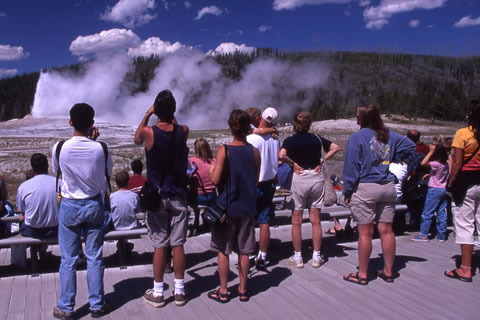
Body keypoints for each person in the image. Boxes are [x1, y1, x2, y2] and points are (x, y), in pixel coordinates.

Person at [52, 103, 113, 319]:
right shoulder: (102, 148)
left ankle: (66, 307)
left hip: (69, 204)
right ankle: (97, 304)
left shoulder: (59, 147)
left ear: (70, 122)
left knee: (68, 258)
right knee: (95, 256)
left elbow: (56, 170)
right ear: (92, 123)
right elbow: (107, 173)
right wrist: (94, 142)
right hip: (94, 204)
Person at [342, 105, 415, 285]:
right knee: (387, 230)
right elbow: (411, 145)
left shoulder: (357, 138)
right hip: (387, 186)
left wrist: (348, 190)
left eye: (357, 115)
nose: (355, 117)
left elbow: (351, 168)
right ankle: (389, 271)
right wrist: (394, 156)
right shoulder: (387, 135)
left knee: (365, 233)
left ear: (362, 119)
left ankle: (363, 274)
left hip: (366, 187)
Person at [134, 89, 190, 307]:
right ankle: (180, 291)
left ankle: (158, 293)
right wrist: (166, 112)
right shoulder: (183, 130)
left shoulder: (149, 132)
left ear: (157, 111)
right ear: (174, 110)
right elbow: (174, 127)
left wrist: (148, 114)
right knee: (178, 245)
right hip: (178, 195)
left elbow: (137, 138)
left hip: (157, 195)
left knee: (160, 245)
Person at [207, 109, 260, 303]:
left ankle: (223, 291)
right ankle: (243, 289)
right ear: (248, 127)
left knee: (224, 250)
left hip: (228, 208)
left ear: (231, 127)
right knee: (245, 250)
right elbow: (255, 180)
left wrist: (212, 168)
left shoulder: (224, 150)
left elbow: (214, 179)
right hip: (247, 206)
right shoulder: (254, 152)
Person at [279, 111, 340, 268]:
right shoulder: (317, 139)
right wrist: (322, 160)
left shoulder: (290, 140)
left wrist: (292, 164)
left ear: (295, 124)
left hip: (299, 178)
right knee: (315, 220)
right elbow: (335, 147)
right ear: (309, 124)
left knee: (296, 220)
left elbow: (281, 155)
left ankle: (298, 257)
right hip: (315, 176)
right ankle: (316, 256)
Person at [444, 100, 480, 283]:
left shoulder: (462, 134)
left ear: (470, 113)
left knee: (465, 225)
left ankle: (465, 268)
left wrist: (450, 183)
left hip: (466, 183)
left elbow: (457, 163)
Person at [247, 107, 280, 270]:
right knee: (264, 220)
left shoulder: (252, 139)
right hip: (269, 183)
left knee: (248, 220)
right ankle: (263, 256)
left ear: (260, 117)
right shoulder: (275, 139)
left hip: (254, 183)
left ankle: (249, 252)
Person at [412, 138, 450, 242]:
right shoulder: (445, 164)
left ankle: (424, 235)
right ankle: (441, 235)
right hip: (442, 189)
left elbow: (423, 163)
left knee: (427, 213)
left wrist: (431, 151)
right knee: (441, 212)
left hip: (434, 190)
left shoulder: (435, 164)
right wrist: (430, 174)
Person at [16, 153, 58, 239]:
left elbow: (22, 211)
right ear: (47, 165)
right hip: (56, 229)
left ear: (32, 167)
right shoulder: (60, 183)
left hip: (32, 230)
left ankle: (37, 249)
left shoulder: (24, 186)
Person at [189, 138, 216, 236]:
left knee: (191, 191)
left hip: (197, 197)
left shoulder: (191, 161)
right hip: (212, 197)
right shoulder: (213, 162)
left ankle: (196, 221)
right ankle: (206, 220)